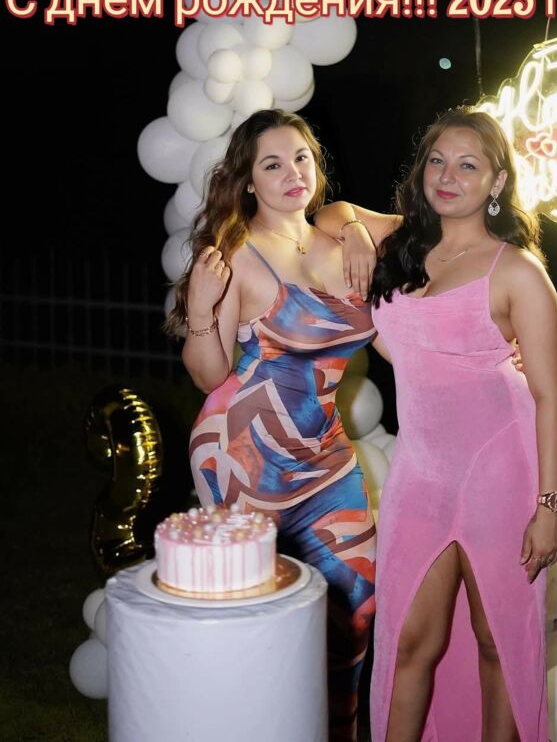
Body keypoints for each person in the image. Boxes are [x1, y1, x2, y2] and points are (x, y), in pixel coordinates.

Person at [314, 107, 557, 742]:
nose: (448, 177)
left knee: (497, 639)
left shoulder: (517, 271)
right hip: (419, 474)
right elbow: (328, 214)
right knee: (408, 642)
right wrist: (353, 233)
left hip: (501, 472)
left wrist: (549, 507)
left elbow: (550, 398)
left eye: (468, 165)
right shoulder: (401, 241)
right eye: (437, 161)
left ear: (497, 182)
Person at [164, 109, 377, 742]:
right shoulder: (237, 254)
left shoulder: (340, 241)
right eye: (273, 164)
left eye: (301, 158)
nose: (292, 173)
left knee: (358, 611)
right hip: (244, 455)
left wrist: (355, 224)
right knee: (258, 617)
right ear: (249, 180)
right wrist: (201, 309)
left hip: (326, 454)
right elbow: (209, 375)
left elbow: (429, 226)